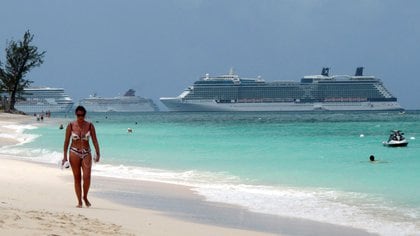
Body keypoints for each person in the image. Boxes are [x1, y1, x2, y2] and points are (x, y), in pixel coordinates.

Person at [63, 106, 100, 208]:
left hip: (86, 152)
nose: (80, 117)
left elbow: (95, 140)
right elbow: (66, 142)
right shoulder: (71, 125)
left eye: (82, 115)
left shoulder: (90, 125)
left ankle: (85, 196)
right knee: (77, 178)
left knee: (87, 177)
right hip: (74, 152)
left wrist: (98, 153)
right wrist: (65, 157)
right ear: (76, 114)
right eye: (79, 115)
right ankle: (79, 201)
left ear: (85, 115)